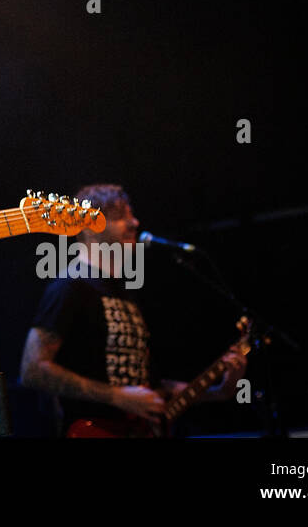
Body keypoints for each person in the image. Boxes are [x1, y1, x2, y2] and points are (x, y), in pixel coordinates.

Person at [19, 183, 246, 436]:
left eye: (131, 214)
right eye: (120, 216)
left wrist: (219, 392)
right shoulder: (70, 286)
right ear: (88, 227)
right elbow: (32, 370)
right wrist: (117, 397)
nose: (134, 223)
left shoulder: (125, 293)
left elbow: (151, 389)